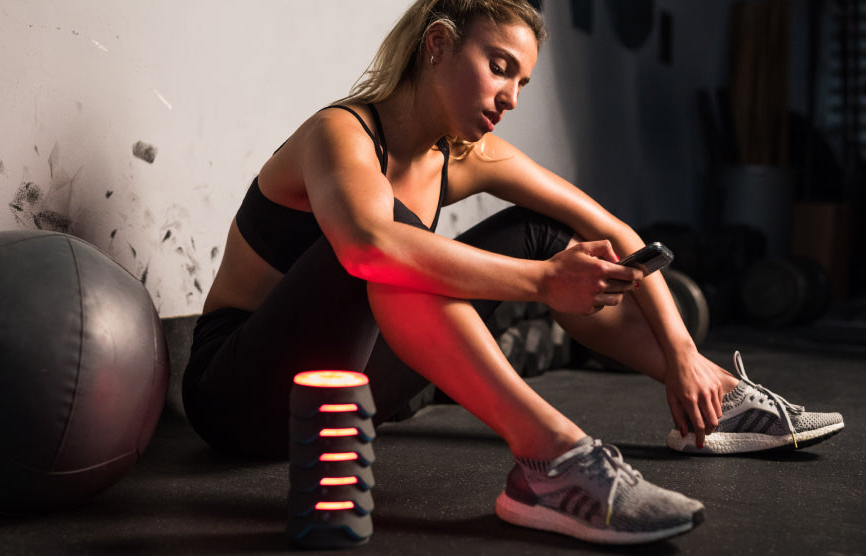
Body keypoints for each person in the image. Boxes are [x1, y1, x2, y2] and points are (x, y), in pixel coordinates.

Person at [183, 0, 844, 545]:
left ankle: (717, 400)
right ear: (437, 45)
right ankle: (550, 459)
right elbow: (367, 249)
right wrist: (541, 284)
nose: (511, 98)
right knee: (389, 250)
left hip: (356, 399)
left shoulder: (464, 154)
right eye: (500, 68)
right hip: (242, 394)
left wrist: (682, 353)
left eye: (523, 82)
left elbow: (615, 232)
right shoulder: (341, 134)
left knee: (545, 235)